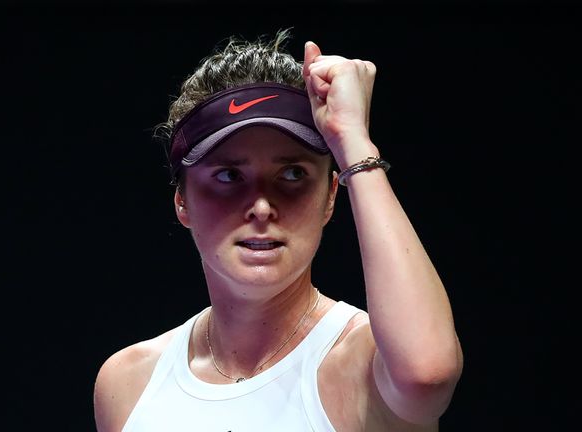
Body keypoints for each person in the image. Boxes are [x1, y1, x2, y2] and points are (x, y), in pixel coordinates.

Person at [93, 28, 463, 432]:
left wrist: (355, 143)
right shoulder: (128, 384)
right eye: (230, 175)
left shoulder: (364, 365)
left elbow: (427, 374)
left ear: (331, 196)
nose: (263, 206)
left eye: (292, 173)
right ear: (182, 200)